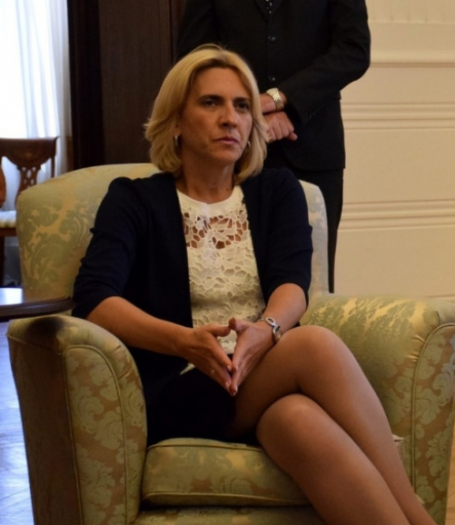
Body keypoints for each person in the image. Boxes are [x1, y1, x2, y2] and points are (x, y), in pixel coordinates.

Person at [71, 45, 434, 525]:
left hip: (264, 377)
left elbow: (293, 285)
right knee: (314, 345)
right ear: (175, 121)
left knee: (298, 421)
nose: (231, 118)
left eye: (242, 106)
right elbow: (95, 298)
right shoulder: (133, 200)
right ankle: (420, 515)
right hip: (182, 388)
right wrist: (182, 341)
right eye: (211, 103)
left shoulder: (277, 190)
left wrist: (266, 330)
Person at [177, 0, 372, 293]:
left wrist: (282, 101)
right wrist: (248, 113)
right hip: (233, 147)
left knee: (310, 283)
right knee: (234, 277)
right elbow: (195, 56)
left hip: (313, 146)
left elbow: (353, 50)